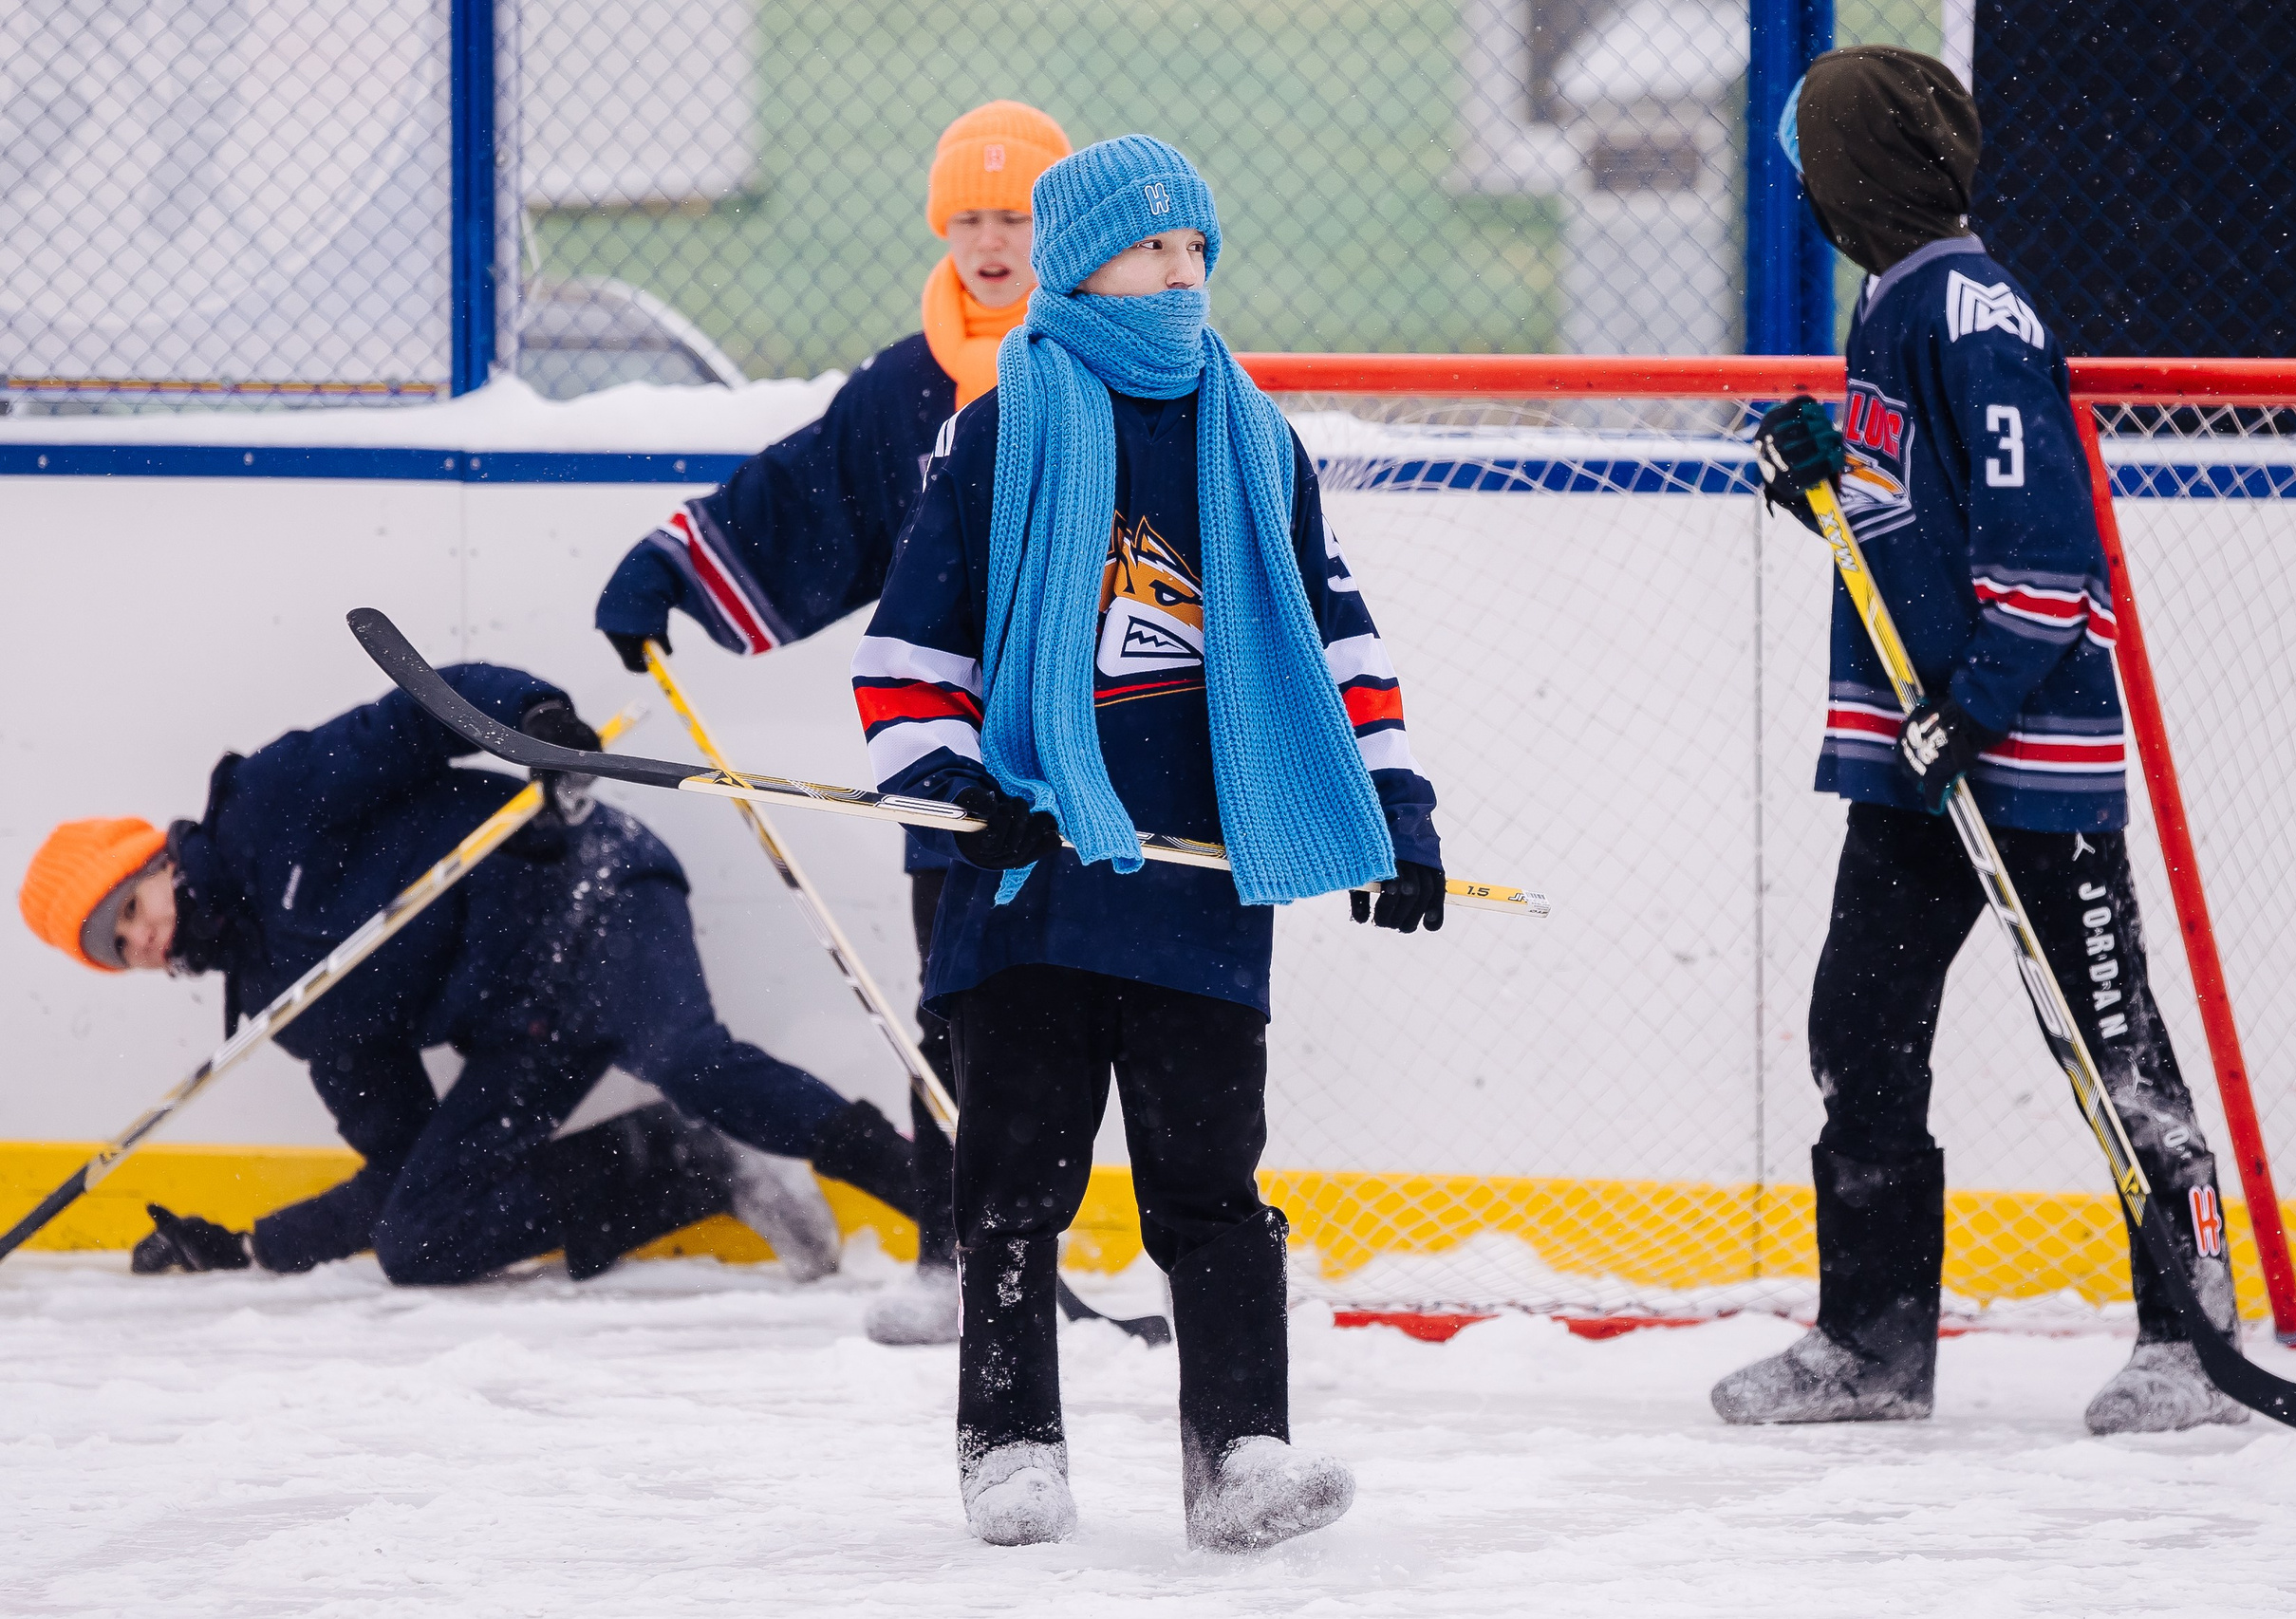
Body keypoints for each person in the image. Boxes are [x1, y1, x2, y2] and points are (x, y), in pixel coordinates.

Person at [855, 134, 1447, 1551]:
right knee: (1012, 1183)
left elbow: (1335, 639)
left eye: (1197, 251)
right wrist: (951, 782)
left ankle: (1241, 1449)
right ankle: (1009, 1441)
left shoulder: (1254, 437)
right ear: (1077, 263)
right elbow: (906, 651)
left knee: (1214, 1188)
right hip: (1034, 888)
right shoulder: (1004, 428)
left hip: (1201, 885)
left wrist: (1395, 811)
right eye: (1150, 249)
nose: (1180, 275)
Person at [1714, 46, 2245, 1436]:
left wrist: (1985, 696)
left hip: (2022, 762)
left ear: (1852, 179)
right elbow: (1919, 517)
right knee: (1862, 1030)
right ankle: (1872, 1347)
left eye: (1814, 163)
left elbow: (2045, 548)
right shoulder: (1898, 310)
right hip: (1918, 763)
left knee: (2107, 1041)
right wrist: (1821, 481)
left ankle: (2195, 1340)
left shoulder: (1971, 311)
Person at [592, 100, 1073, 1345]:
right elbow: (805, 493)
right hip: (955, 761)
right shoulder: (910, 386)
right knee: (958, 1007)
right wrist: (672, 563)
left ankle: (1073, 1247)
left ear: (1058, 225)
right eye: (967, 216)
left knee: (1093, 1013)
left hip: (1100, 755)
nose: (988, 239)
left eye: (1013, 214)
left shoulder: (1110, 366)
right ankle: (952, 1255)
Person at [16, 665, 919, 1287]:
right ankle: (698, 1163)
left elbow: (413, 717)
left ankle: (934, 1193)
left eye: (130, 910)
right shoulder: (279, 1007)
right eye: (119, 950)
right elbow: (405, 1170)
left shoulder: (270, 805)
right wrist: (259, 1243)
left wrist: (538, 725)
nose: (142, 940)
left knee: (684, 1053)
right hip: (527, 1029)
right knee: (422, 1236)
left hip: (582, 886)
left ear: (154, 863)